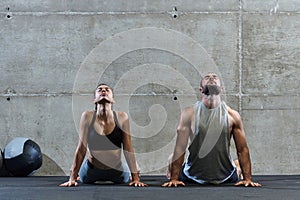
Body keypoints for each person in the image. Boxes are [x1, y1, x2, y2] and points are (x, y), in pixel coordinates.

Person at [162, 73, 261, 187]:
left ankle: (236, 165)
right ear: (201, 89)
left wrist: (248, 179)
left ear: (221, 89)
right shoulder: (189, 114)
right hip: (191, 176)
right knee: (173, 159)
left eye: (215, 77)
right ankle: (171, 161)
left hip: (226, 176)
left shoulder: (233, 116)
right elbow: (180, 147)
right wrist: (174, 179)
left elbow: (242, 149)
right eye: (207, 77)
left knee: (237, 169)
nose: (211, 78)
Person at [60, 83, 146, 187]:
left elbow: (128, 148)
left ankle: (134, 172)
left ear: (113, 99)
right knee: (81, 176)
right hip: (90, 173)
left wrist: (136, 178)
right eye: (100, 90)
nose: (103, 91)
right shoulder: (87, 116)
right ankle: (78, 174)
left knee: (133, 171)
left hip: (117, 172)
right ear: (94, 99)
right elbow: (81, 148)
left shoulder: (122, 117)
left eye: (107, 89)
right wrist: (72, 178)